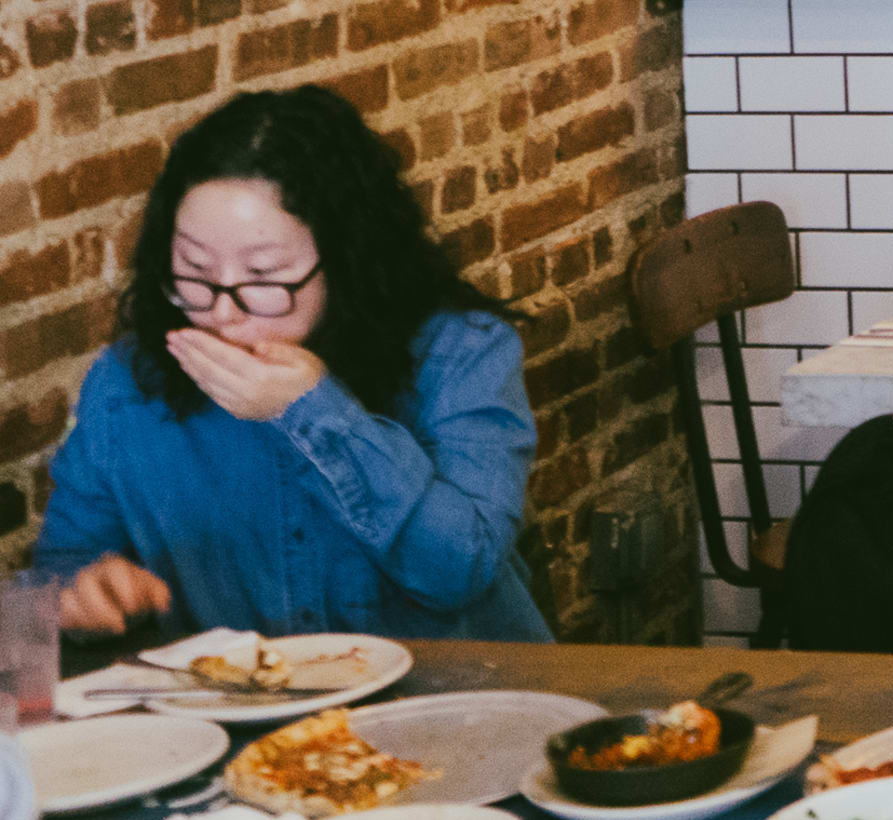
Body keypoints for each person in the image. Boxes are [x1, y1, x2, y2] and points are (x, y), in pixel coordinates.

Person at [34, 86, 550, 641]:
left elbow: (460, 568)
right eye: (194, 270)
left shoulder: (460, 352)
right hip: (238, 716)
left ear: (346, 260)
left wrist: (315, 412)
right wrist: (82, 592)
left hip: (459, 708)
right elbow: (64, 562)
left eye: (263, 276)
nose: (223, 312)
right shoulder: (129, 383)